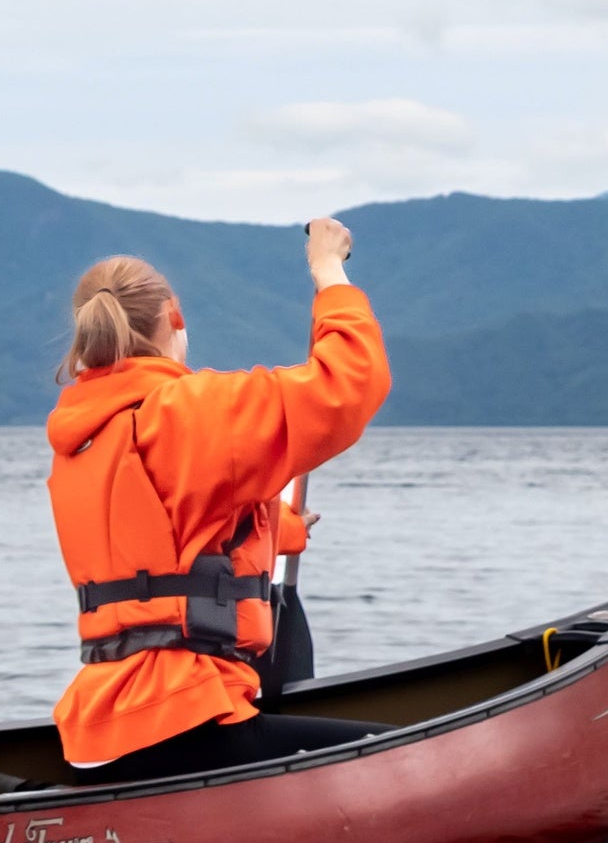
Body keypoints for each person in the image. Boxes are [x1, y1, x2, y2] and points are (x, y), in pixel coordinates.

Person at [47, 214, 390, 779]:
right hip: (190, 714)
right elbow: (348, 382)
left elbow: (169, 530)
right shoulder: (187, 411)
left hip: (102, 724)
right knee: (403, 754)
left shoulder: (82, 435)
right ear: (175, 318)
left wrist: (282, 527)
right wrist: (329, 271)